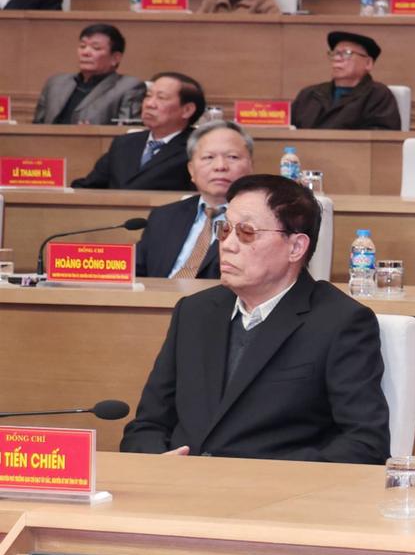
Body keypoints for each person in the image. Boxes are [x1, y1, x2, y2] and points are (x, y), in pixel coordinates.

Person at [121, 174, 390, 463]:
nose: (227, 244)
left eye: (246, 232)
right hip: (181, 483)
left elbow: (365, 444)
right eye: (225, 229)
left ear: (296, 247)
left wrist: (265, 476)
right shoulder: (194, 312)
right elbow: (146, 427)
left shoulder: (341, 322)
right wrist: (160, 461)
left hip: (276, 488)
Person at [136, 120, 255, 278]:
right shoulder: (163, 217)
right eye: (208, 157)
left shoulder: (260, 222)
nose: (220, 166)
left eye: (232, 157)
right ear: (191, 170)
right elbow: (136, 273)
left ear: (251, 166)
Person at [73, 71, 204, 190]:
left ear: (187, 110)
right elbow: (90, 186)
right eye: (148, 96)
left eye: (161, 98)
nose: (149, 104)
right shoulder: (124, 143)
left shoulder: (198, 148)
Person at [33, 23, 146, 125]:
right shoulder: (56, 83)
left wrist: (94, 135)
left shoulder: (128, 87)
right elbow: (37, 126)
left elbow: (129, 132)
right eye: (82, 46)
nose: (85, 52)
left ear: (115, 58)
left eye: (96, 48)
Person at [291, 31, 402, 130]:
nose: (337, 59)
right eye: (334, 53)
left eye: (346, 53)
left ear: (368, 63)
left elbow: (383, 138)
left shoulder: (378, 95)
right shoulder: (309, 94)